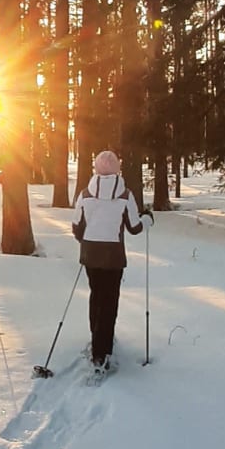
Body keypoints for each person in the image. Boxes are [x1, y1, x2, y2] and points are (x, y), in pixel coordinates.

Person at [71, 149, 150, 370]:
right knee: (109, 300)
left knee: (96, 295)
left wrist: (86, 241)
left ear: (96, 168)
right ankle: (102, 351)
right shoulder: (125, 195)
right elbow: (134, 228)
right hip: (113, 255)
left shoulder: (85, 193)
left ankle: (97, 339)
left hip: (90, 253)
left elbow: (76, 226)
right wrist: (147, 220)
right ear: (117, 169)